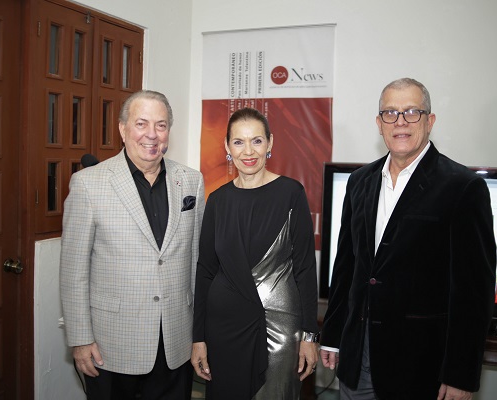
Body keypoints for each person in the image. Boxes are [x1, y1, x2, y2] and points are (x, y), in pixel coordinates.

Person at [320, 78, 496, 400]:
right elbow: (346, 266)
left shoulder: (463, 188)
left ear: (430, 121)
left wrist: (460, 375)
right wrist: (332, 335)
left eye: (412, 112)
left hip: (420, 365)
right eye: (390, 113)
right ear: (379, 124)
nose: (400, 122)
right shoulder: (360, 182)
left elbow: (474, 293)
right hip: (357, 355)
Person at [60, 90, 205, 400]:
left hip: (175, 342)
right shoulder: (89, 183)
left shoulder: (191, 181)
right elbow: (74, 270)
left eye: (161, 125)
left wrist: (199, 334)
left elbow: (196, 261)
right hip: (112, 345)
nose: (151, 134)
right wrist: (80, 339)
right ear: (122, 129)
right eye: (141, 123)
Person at [191, 107, 319, 399]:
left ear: (270, 143)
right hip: (222, 331)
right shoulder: (217, 200)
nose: (248, 151)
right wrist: (198, 337)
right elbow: (206, 271)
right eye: (238, 142)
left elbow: (305, 270)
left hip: (278, 329)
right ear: (227, 147)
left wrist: (310, 335)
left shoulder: (291, 193)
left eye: (257, 141)